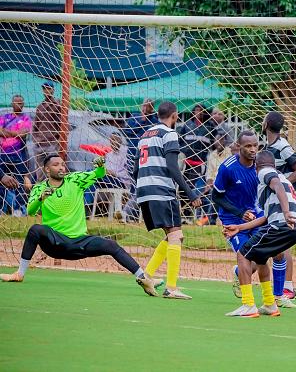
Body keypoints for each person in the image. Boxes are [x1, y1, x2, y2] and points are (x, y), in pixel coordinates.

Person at [0, 154, 159, 297]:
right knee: (36, 229)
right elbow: (30, 210)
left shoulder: (75, 179)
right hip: (55, 243)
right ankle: (19, 274)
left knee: (111, 245)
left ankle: (144, 278)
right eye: (56, 165)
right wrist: (41, 198)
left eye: (63, 164)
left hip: (79, 242)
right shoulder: (39, 188)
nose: (61, 167)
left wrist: (100, 166)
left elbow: (99, 174)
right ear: (47, 170)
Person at [222, 150, 296, 317]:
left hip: (284, 224)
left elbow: (276, 185)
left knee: (243, 254)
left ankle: (248, 305)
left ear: (256, 166)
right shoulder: (282, 178)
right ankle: (270, 304)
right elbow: (266, 217)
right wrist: (240, 227)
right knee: (261, 258)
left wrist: (285, 212)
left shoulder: (265, 172)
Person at [134, 101, 202, 300]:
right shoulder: (169, 133)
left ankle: (147, 275)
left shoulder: (145, 135)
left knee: (172, 235)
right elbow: (172, 167)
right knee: (176, 235)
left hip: (144, 190)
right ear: (175, 116)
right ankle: (171, 288)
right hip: (161, 190)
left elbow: (136, 169)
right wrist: (191, 193)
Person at [263, 111, 296, 301]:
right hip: (277, 199)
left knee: (284, 241)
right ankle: (282, 286)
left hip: (287, 199)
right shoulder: (269, 147)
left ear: (266, 124)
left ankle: (287, 287)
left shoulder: (282, 146)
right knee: (278, 240)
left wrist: (284, 184)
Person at [0, 94, 33, 215]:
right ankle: (2, 208)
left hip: (19, 155)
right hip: (3, 154)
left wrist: (7, 132)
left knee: (19, 182)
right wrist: (15, 133)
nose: (18, 104)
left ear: (23, 104)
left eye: (20, 102)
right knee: (2, 181)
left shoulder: (26, 118)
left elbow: (23, 133)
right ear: (12, 103)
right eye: (16, 102)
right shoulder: (4, 117)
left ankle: (18, 209)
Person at [197, 135, 233, 226]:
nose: (218, 142)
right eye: (216, 140)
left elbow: (230, 172)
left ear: (225, 141)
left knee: (215, 193)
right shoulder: (212, 155)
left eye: (221, 140)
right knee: (201, 194)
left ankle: (210, 220)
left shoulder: (229, 153)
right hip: (213, 184)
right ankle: (199, 218)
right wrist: (208, 184)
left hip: (227, 184)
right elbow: (209, 174)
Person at [32, 82, 61, 180]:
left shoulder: (58, 105)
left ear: (53, 90)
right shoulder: (40, 107)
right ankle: (41, 189)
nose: (46, 91)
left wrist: (59, 140)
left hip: (52, 143)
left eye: (49, 88)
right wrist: (36, 139)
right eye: (44, 89)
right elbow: (36, 125)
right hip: (40, 144)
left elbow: (62, 125)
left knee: (53, 170)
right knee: (40, 172)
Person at [123, 98, 159, 170]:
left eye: (149, 106)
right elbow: (128, 132)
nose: (145, 108)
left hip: (147, 153)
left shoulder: (154, 121)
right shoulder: (134, 116)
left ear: (152, 108)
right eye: (144, 105)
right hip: (133, 151)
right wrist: (142, 121)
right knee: (131, 172)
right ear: (141, 106)